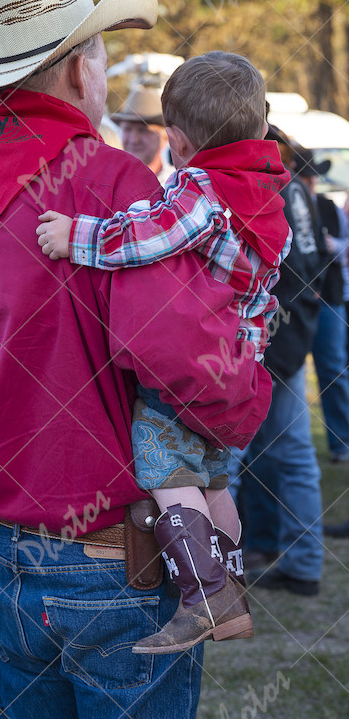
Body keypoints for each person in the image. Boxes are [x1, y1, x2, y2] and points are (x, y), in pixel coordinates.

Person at [0, 0, 271, 719]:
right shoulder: (119, 185)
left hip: (1, 554)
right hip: (119, 559)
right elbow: (190, 365)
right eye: (101, 52)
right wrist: (237, 418)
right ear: (78, 70)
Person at [36, 51, 291, 652]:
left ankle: (203, 597)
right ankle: (232, 589)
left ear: (174, 140)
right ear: (259, 126)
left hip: (189, 371)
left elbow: (152, 236)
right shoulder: (265, 192)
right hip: (236, 371)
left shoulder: (206, 190)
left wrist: (79, 236)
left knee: (165, 472)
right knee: (214, 482)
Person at [242, 131, 325, 596]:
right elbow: (315, 266)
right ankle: (301, 561)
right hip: (286, 336)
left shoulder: (271, 186)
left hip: (267, 342)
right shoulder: (293, 186)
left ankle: (217, 579)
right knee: (291, 455)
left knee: (226, 461)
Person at [293, 147, 349, 464]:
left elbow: (345, 245)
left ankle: (342, 444)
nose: (311, 181)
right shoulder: (285, 205)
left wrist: (333, 245)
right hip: (296, 303)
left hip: (329, 298)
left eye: (313, 176)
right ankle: (291, 446)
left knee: (333, 369)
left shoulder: (328, 206)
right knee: (291, 374)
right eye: (306, 176)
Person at [111, 85, 174, 184]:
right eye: (127, 129)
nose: (134, 140)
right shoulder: (109, 182)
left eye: (143, 130)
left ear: (165, 137)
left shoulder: (177, 184)